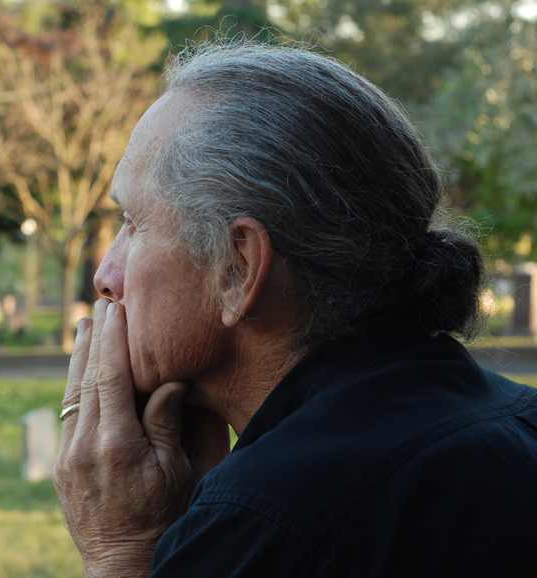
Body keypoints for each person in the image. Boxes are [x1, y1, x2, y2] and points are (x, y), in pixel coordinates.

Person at [52, 40, 537, 578]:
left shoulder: (273, 521)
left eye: (133, 223)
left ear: (238, 267)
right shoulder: (521, 422)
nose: (104, 277)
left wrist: (122, 551)